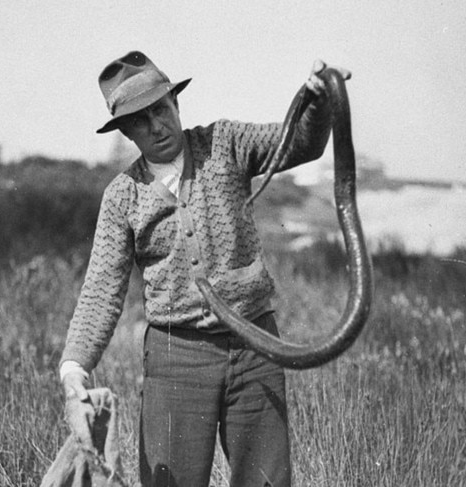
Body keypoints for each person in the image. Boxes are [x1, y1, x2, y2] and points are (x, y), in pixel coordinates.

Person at [59, 50, 350, 486]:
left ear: (176, 103)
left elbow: (301, 143)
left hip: (256, 346)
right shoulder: (122, 197)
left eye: (161, 109)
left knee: (267, 482)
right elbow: (102, 288)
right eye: (140, 121)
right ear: (126, 132)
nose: (157, 125)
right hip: (177, 357)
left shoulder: (226, 144)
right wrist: (74, 366)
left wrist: (318, 98)